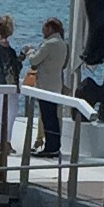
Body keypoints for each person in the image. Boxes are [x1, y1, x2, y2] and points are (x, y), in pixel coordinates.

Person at [25, 15, 70, 155]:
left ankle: (50, 148)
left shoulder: (49, 44)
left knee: (47, 117)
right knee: (53, 117)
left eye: (44, 28)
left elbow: (34, 60)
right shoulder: (63, 44)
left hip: (45, 86)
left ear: (50, 28)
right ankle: (55, 146)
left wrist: (30, 52)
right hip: (56, 84)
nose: (42, 31)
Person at [0, 15, 21, 151]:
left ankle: (0, 140)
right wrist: (21, 58)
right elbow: (11, 64)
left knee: (0, 108)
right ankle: (4, 140)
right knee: (11, 110)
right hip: (7, 80)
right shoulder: (3, 45)